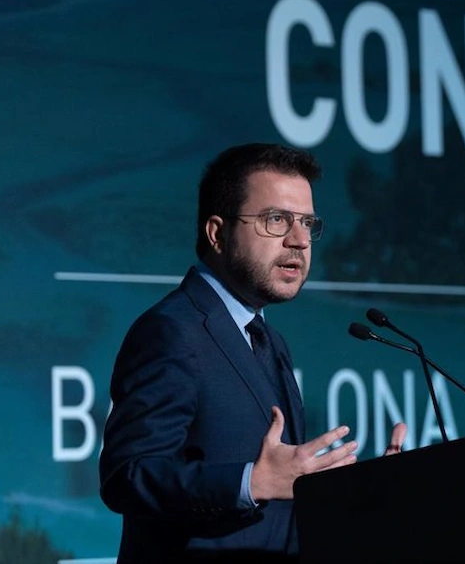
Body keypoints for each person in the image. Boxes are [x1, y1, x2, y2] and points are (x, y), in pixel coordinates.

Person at [100, 142, 406, 562]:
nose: (299, 240)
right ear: (217, 233)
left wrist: (360, 492)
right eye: (276, 220)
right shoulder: (172, 331)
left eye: (307, 223)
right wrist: (250, 483)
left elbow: (285, 500)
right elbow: (128, 476)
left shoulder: (268, 340)